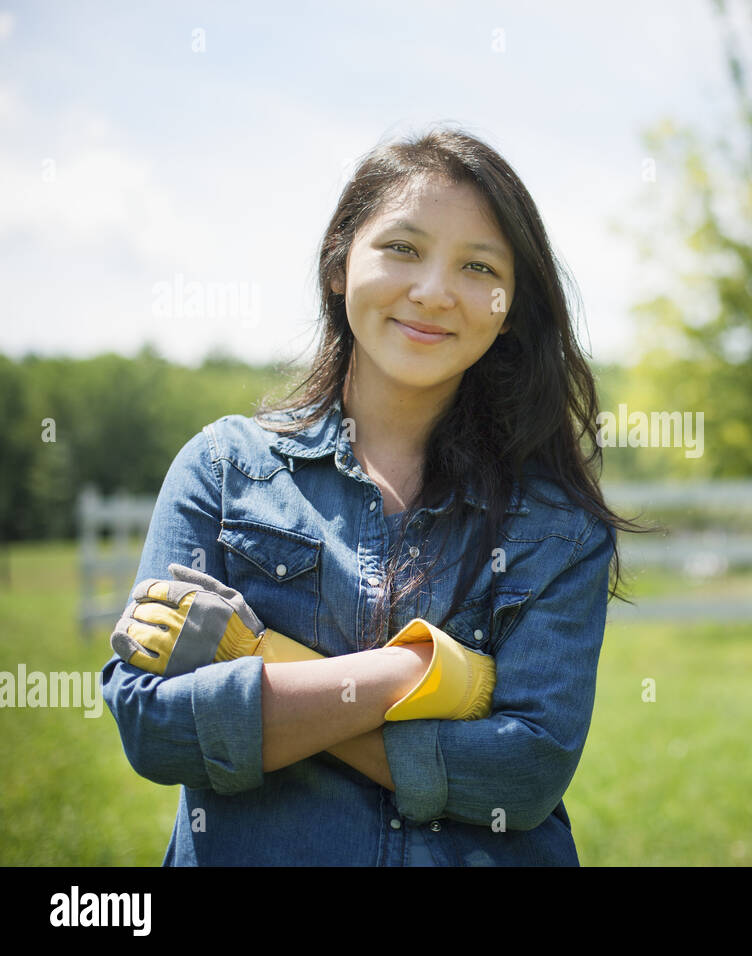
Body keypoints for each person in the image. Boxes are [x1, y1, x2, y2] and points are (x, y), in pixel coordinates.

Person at [101, 125, 641, 866]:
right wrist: (410, 674)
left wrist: (260, 667)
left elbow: (522, 777)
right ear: (338, 265)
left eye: (477, 266)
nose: (433, 292)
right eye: (404, 248)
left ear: (509, 307)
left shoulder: (559, 525)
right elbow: (153, 726)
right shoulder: (222, 471)